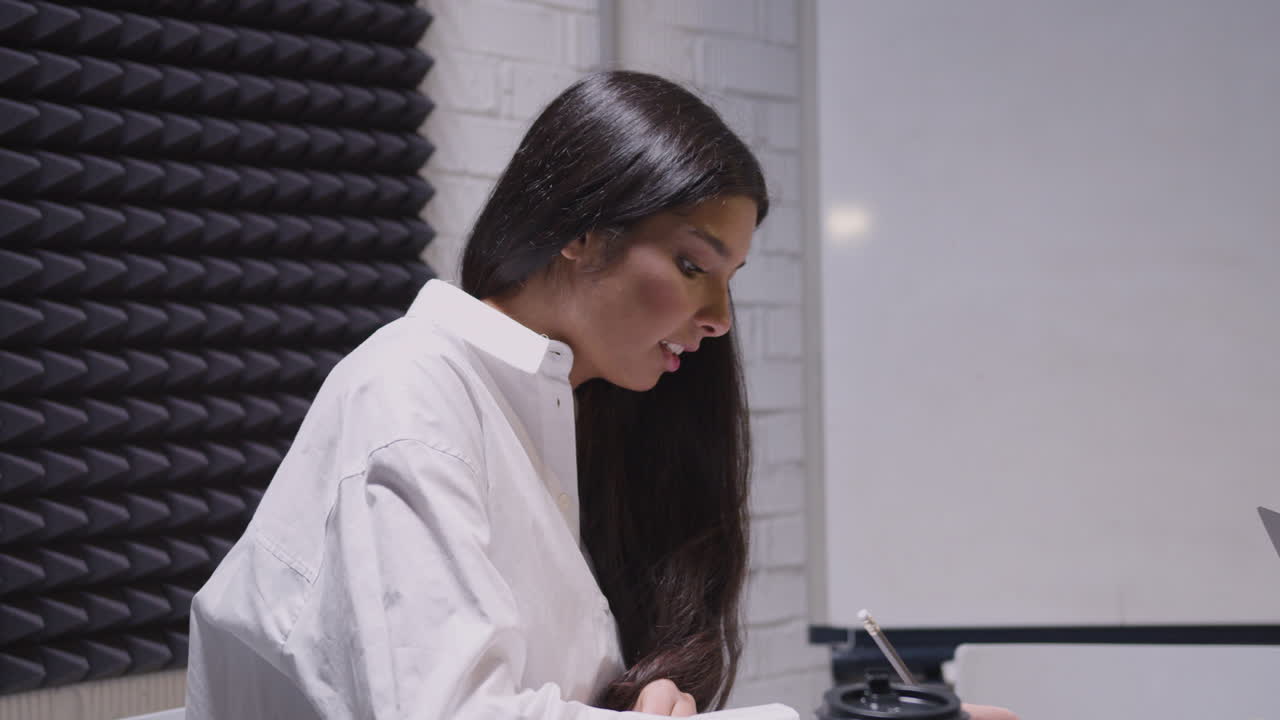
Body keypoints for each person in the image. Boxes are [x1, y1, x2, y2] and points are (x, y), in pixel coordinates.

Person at [184, 70, 1016, 720]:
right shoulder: (412, 397)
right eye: (692, 265)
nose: (720, 319)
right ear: (579, 232)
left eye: (729, 279)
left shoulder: (565, 415)